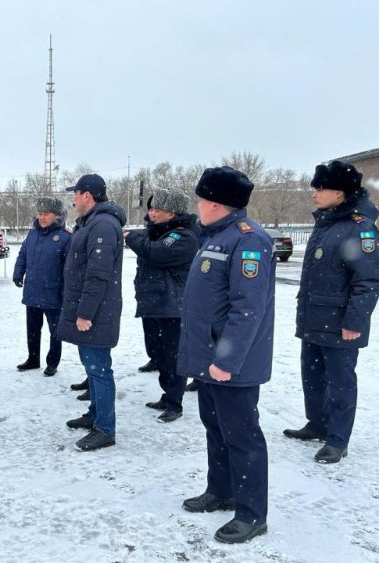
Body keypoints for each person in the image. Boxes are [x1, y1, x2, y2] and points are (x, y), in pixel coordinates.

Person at [177, 166, 274, 544]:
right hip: (210, 360)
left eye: (201, 198)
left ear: (215, 203)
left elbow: (247, 309)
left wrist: (226, 361)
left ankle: (252, 514)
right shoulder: (216, 236)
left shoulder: (249, 241)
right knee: (215, 429)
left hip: (232, 364)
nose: (197, 205)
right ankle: (221, 490)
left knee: (242, 436)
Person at [284, 161, 379, 463]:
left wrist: (355, 321)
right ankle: (318, 424)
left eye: (320, 188)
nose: (314, 193)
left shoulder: (359, 227)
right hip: (314, 317)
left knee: (340, 382)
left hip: (340, 323)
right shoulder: (327, 223)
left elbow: (368, 281)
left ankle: (338, 439)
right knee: (312, 376)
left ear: (340, 192)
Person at [59, 174, 126, 451]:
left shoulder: (103, 225)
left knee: (100, 369)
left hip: (97, 312)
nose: (73, 199)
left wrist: (85, 313)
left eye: (76, 193)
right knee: (92, 366)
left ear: (88, 195)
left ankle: (105, 429)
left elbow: (98, 275)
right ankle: (95, 414)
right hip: (89, 309)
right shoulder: (91, 223)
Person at [124, 186, 200, 423]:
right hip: (153, 303)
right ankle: (167, 395)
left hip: (171, 306)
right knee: (157, 354)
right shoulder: (155, 232)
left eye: (158, 209)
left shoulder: (183, 236)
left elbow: (155, 254)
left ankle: (175, 403)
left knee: (172, 357)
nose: (152, 213)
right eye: (152, 208)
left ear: (173, 213)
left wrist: (131, 236)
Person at [13, 197, 72, 376]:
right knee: (32, 329)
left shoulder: (64, 238)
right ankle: (33, 358)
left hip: (53, 293)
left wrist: (65, 291)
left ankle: (52, 362)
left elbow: (68, 268)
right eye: (40, 213)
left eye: (46, 214)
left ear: (57, 216)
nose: (42, 217)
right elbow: (22, 255)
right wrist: (18, 272)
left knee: (55, 331)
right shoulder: (32, 234)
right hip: (32, 291)